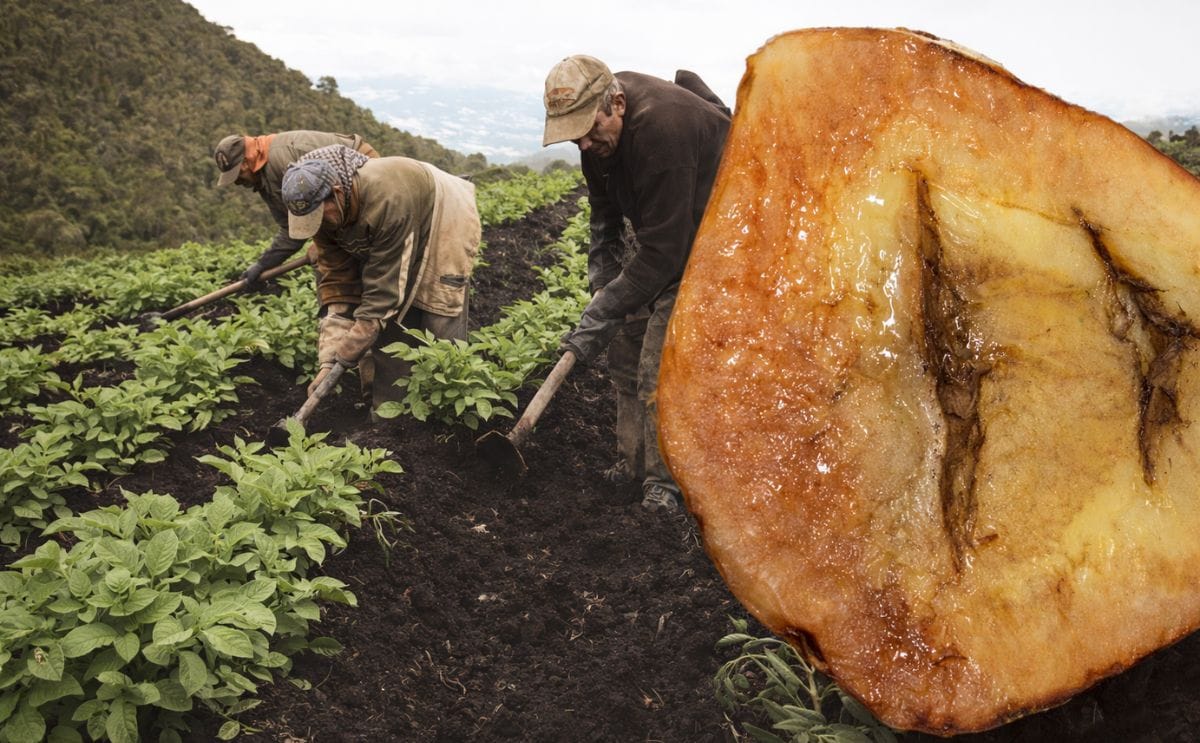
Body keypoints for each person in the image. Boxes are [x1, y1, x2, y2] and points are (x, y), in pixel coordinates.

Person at [541, 54, 731, 512]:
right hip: (661, 230)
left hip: (712, 236)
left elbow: (666, 251)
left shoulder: (664, 131)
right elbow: (604, 217)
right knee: (624, 352)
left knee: (658, 365)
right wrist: (604, 288)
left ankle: (663, 484)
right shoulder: (595, 144)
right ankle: (631, 463)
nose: (583, 144)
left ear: (618, 104)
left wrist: (603, 311)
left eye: (589, 130)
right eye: (574, 136)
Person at [280, 144, 480, 413]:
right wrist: (328, 361)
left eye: (319, 217)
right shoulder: (324, 217)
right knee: (389, 334)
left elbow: (383, 296)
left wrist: (348, 351)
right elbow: (338, 286)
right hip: (392, 224)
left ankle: (449, 414)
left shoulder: (387, 200)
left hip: (444, 211)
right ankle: (389, 417)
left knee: (439, 315)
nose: (317, 226)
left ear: (336, 195)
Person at [213, 131, 379, 283]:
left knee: (354, 254)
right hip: (334, 199)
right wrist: (264, 264)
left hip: (362, 169)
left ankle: (370, 307)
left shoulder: (282, 163)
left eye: (237, 174)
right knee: (328, 257)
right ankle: (340, 309)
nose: (237, 182)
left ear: (246, 161)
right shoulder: (263, 178)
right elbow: (291, 229)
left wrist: (327, 245)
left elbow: (327, 196)